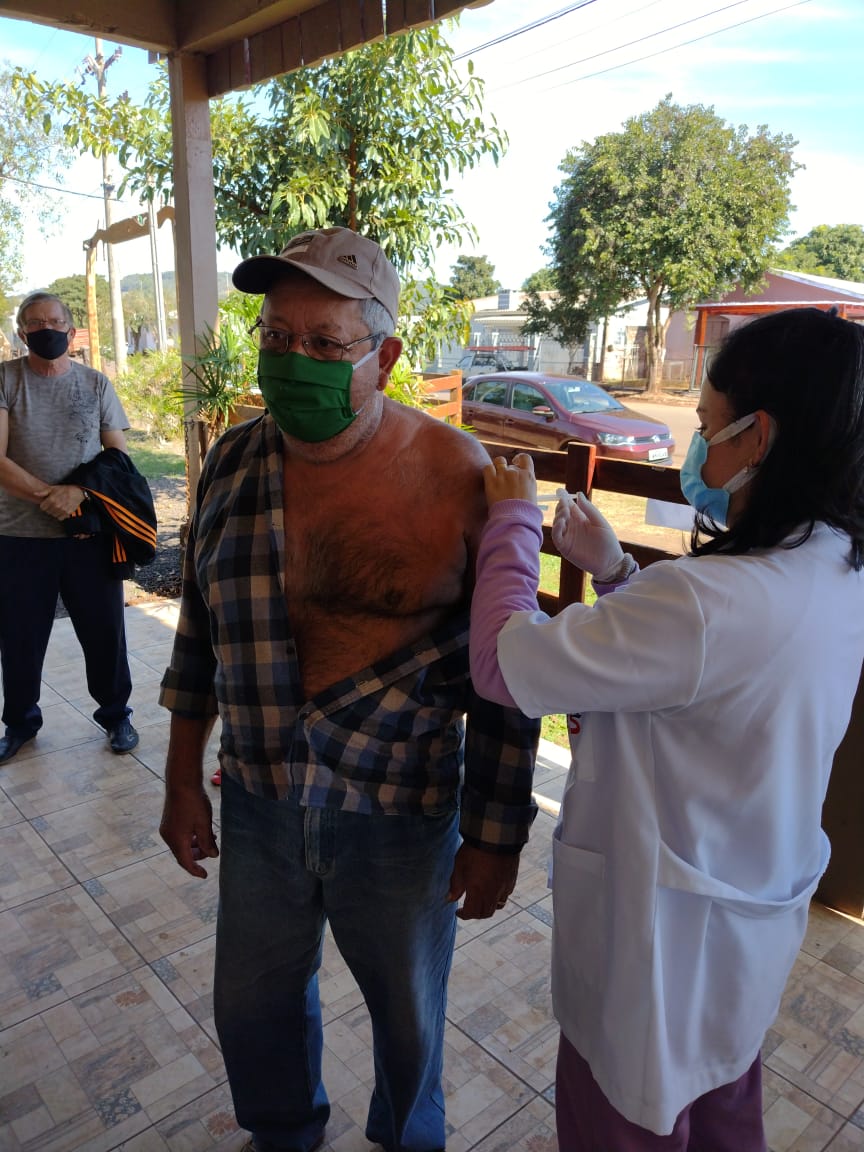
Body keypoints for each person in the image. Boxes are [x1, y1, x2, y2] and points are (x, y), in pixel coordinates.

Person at [157, 226, 539, 1152]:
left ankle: (410, 1139)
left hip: (400, 815)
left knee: (409, 1015)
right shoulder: (232, 463)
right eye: (277, 339)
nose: (295, 363)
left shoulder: (461, 480)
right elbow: (201, 631)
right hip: (261, 799)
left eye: (325, 346)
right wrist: (179, 778)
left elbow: (507, 676)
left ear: (387, 355)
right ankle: (283, 1133)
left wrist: (494, 837)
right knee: (252, 1004)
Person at [468, 307, 864, 1152]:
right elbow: (701, 682)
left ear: (762, 438)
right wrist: (615, 573)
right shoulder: (834, 562)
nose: (698, 447)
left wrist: (510, 523)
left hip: (657, 949)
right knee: (722, 1103)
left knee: (632, 1116)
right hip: (744, 923)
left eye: (710, 426)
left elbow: (507, 667)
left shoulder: (703, 602)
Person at [0, 291, 140, 764]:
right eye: (36, 323)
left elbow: (117, 455)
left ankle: (117, 713)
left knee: (105, 631)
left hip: (87, 535)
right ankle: (20, 721)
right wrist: (50, 497)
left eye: (55, 321)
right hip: (18, 535)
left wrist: (78, 496)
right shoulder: (5, 381)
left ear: (72, 329)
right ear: (22, 333)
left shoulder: (96, 384)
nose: (47, 330)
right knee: (19, 635)